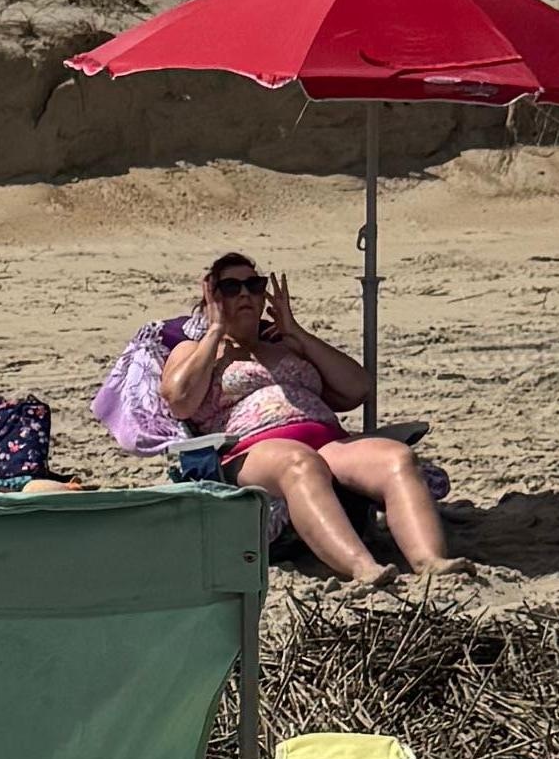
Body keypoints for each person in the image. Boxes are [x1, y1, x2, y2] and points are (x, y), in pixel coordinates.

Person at [158, 249, 449, 588]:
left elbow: (357, 388)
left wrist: (297, 333)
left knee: (396, 458)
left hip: (327, 442)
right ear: (212, 296)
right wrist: (215, 330)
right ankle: (362, 568)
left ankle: (431, 561)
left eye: (254, 285)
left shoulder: (287, 345)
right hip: (252, 451)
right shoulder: (195, 350)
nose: (244, 294)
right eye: (231, 288)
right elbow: (179, 400)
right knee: (299, 463)